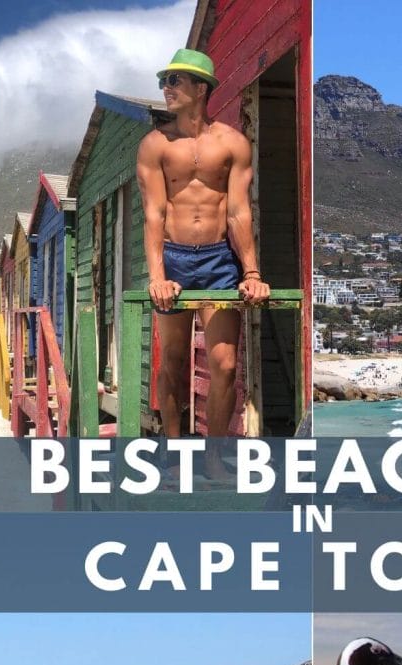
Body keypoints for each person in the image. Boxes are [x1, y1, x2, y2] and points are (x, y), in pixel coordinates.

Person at [137, 48, 270, 477]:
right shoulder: (155, 145)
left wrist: (251, 272)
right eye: (165, 80)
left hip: (219, 261)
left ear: (201, 88)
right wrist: (157, 276)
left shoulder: (232, 143)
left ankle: (213, 459)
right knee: (173, 361)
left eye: (175, 80)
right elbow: (154, 213)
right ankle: (175, 455)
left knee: (225, 364)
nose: (166, 88)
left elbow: (238, 212)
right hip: (174, 258)